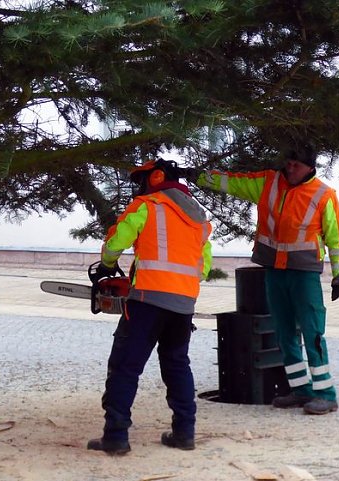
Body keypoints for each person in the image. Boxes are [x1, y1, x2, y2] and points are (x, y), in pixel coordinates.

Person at [194, 144, 339, 415]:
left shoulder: (324, 195)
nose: (290, 167)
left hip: (304, 274)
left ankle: (326, 393)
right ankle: (301, 390)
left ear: (310, 168)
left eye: (296, 164)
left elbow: (336, 239)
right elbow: (233, 183)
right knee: (284, 331)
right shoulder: (269, 182)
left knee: (312, 332)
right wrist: (197, 176)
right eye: (289, 161)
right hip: (274, 270)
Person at [87, 159, 212, 455]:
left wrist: (107, 264)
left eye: (141, 180)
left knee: (125, 366)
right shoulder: (198, 218)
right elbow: (204, 267)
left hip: (147, 302)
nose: (138, 188)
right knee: (177, 364)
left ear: (155, 178)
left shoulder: (148, 205)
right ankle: (184, 433)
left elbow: (117, 240)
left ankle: (116, 437)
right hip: (184, 304)